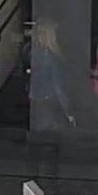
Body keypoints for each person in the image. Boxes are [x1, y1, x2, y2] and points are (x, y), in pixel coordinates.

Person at [28, 17, 75, 182]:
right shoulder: (52, 57)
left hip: (36, 103)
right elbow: (58, 87)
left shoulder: (34, 55)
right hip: (50, 105)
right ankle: (49, 191)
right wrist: (69, 112)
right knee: (50, 152)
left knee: (37, 152)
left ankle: (36, 188)